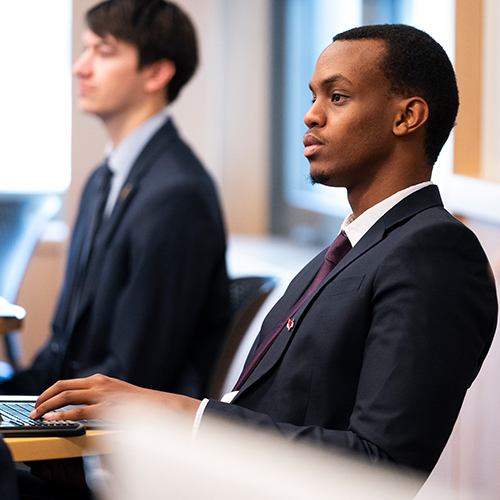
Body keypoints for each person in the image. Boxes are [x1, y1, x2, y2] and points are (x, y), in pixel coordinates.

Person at [31, 24, 497, 476]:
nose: (311, 115)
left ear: (406, 117)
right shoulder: (347, 251)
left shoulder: (435, 252)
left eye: (337, 97)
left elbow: (381, 467)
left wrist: (178, 413)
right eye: (313, 96)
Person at [0, 0, 231, 399]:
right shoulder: (101, 180)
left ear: (157, 72)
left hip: (118, 440)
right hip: (77, 409)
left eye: (103, 52)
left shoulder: (177, 193)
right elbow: (62, 347)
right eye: (85, 49)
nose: (81, 67)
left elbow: (135, 373)